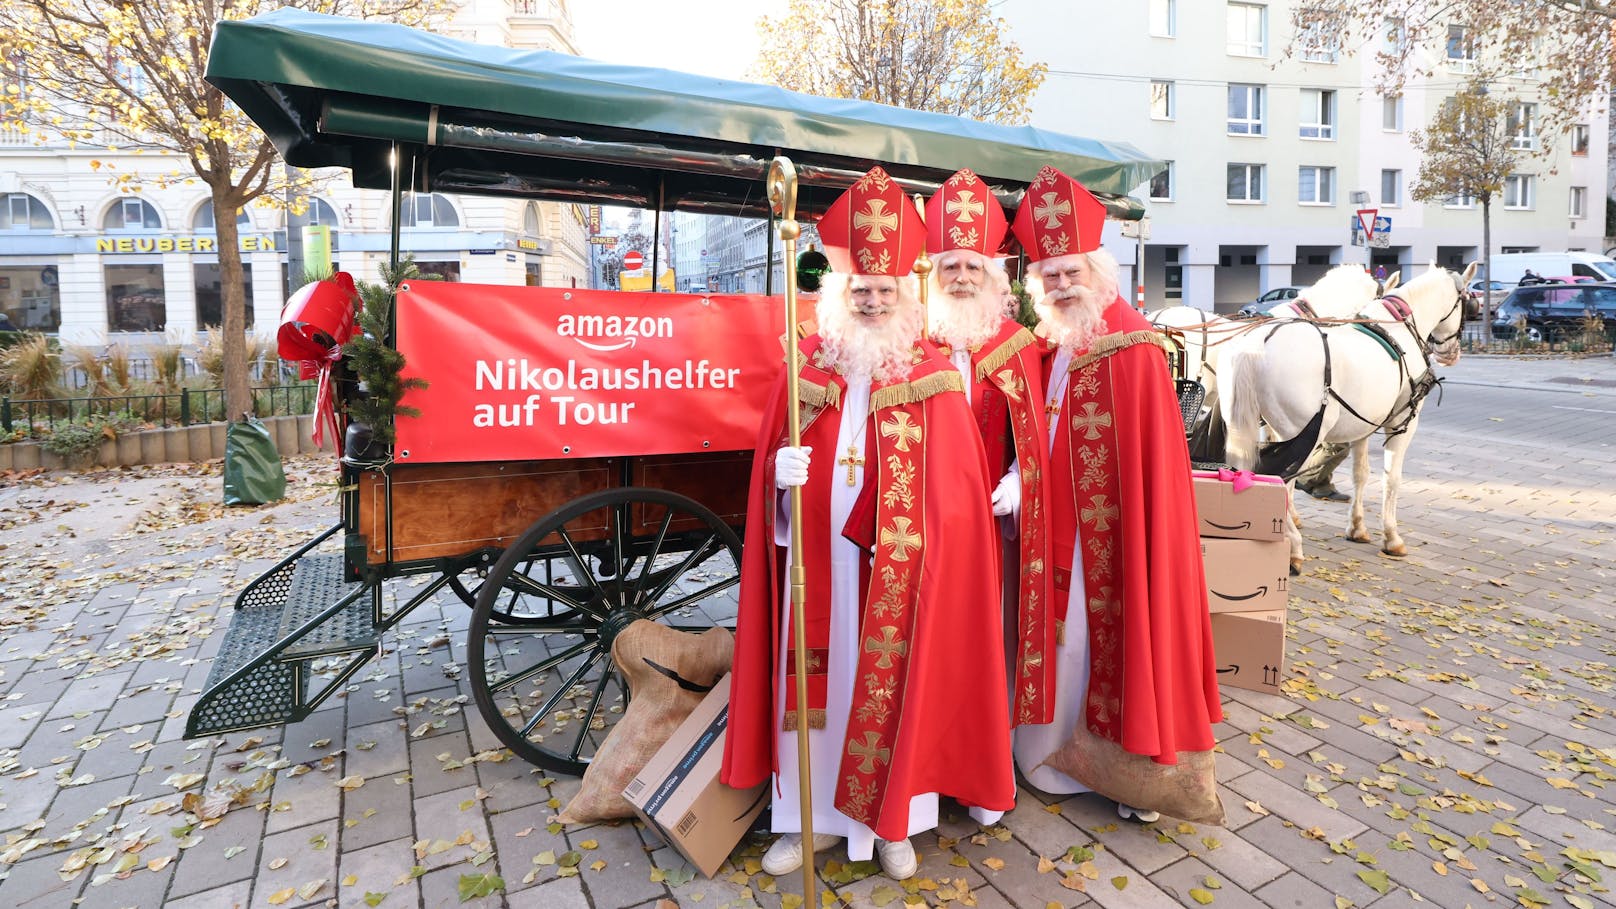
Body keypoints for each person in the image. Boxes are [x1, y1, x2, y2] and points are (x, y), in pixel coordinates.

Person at [723, 166, 1016, 881]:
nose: (875, 300)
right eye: (862, 290)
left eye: (886, 290)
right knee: (815, 688)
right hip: (816, 569)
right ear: (840, 291)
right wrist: (780, 486)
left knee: (897, 686)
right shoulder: (806, 368)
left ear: (906, 293)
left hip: (900, 580)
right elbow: (768, 490)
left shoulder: (934, 378)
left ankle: (896, 822)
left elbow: (956, 498)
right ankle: (808, 819)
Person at [1009, 165, 1223, 821]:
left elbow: (1144, 463)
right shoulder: (1050, 345)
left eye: (1071, 271)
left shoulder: (1130, 342)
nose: (1061, 283)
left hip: (1114, 536)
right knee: (1064, 647)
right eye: (1049, 274)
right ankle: (1050, 753)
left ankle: (1127, 767)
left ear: (1098, 271)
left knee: (1111, 638)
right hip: (1054, 534)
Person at [923, 169, 1055, 791]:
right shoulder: (911, 338)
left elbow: (1032, 427)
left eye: (973, 268)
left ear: (993, 277)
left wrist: (1019, 479)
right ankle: (926, 749)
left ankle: (986, 753)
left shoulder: (1016, 342)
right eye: (951, 267)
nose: (962, 278)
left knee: (989, 637)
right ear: (934, 275)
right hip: (920, 517)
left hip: (991, 516)